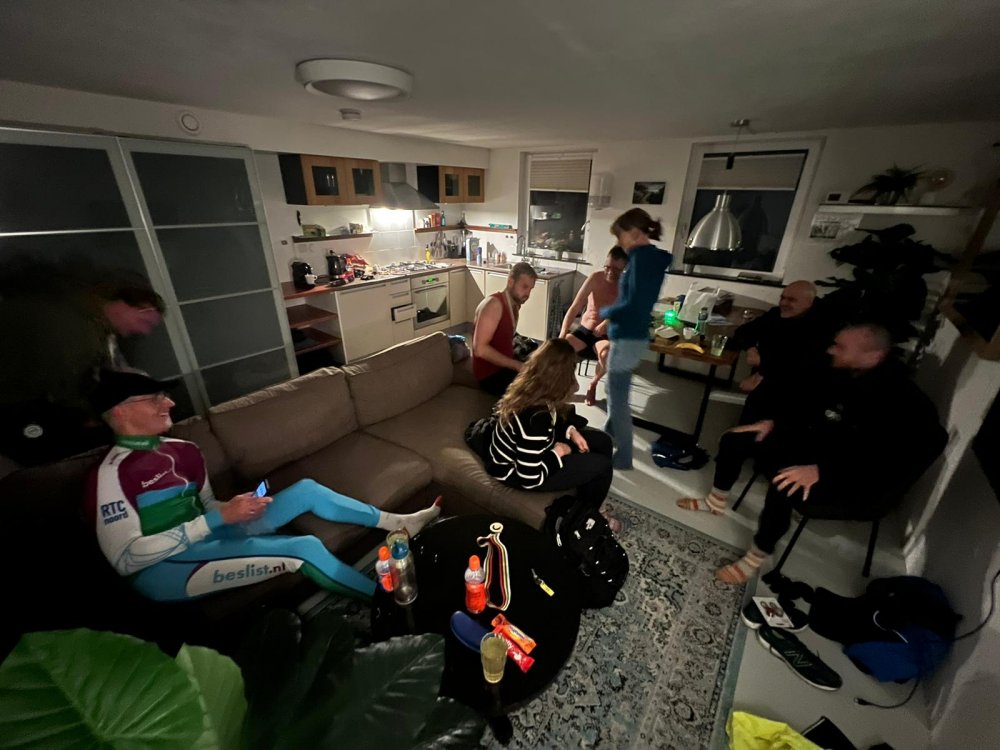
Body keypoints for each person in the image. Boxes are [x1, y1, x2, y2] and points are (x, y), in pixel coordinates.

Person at [85, 369, 442, 602]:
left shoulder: (185, 450)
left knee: (306, 489)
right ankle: (389, 602)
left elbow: (207, 505)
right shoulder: (110, 475)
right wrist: (218, 518)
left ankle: (399, 524)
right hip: (164, 570)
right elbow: (126, 560)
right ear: (120, 412)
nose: (170, 403)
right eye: (155, 399)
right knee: (304, 547)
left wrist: (234, 509)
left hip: (211, 532)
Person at [677, 324, 945, 583]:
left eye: (841, 347)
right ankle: (715, 502)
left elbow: (883, 459)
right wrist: (773, 424)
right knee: (735, 440)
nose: (831, 350)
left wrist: (822, 471)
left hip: (852, 477)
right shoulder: (842, 372)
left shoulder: (901, 401)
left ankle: (758, 554)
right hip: (816, 447)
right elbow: (807, 409)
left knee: (784, 482)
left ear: (873, 356)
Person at [0, 271, 166, 466]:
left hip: (42, 404)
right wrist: (89, 415)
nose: (144, 331)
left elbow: (106, 369)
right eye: (144, 321)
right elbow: (63, 380)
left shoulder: (101, 328)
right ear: (124, 306)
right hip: (21, 405)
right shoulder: (75, 326)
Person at [484, 338, 614, 520]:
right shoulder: (536, 419)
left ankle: (590, 495)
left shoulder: (535, 387)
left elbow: (555, 420)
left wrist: (571, 431)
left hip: (537, 449)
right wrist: (558, 452)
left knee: (603, 441)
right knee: (603, 467)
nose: (575, 381)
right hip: (517, 473)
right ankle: (585, 518)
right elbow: (529, 477)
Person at [599, 209, 672, 469]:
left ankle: (623, 456)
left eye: (620, 237)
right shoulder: (649, 258)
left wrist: (607, 312)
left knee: (618, 399)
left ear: (634, 232)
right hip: (631, 335)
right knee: (613, 389)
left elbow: (635, 304)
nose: (620, 243)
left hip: (628, 336)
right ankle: (609, 432)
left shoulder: (642, 259)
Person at [559, 246, 628, 406]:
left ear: (624, 268)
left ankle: (593, 384)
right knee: (560, 352)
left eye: (616, 270)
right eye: (607, 267)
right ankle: (570, 383)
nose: (610, 272)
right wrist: (563, 333)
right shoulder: (595, 278)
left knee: (608, 357)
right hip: (584, 331)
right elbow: (575, 307)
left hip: (605, 335)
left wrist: (607, 322)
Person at [472, 262, 538, 396]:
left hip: (504, 366)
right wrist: (515, 365)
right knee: (537, 390)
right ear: (510, 282)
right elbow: (480, 349)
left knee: (544, 371)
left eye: (530, 289)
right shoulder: (494, 305)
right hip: (490, 375)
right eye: (524, 287)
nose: (527, 294)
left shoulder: (514, 305)